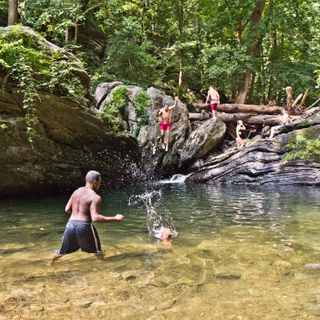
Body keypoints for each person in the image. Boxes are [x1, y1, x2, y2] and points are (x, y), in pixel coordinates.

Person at [51, 170, 124, 264]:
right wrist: (115, 218)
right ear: (94, 182)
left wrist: (78, 214)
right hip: (84, 226)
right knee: (98, 252)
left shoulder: (76, 192)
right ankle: (105, 269)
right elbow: (95, 218)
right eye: (99, 182)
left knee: (62, 252)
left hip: (70, 225)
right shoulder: (95, 197)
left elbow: (67, 209)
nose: (99, 185)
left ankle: (50, 264)